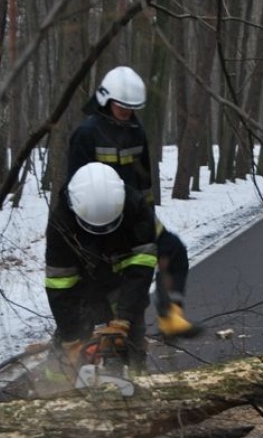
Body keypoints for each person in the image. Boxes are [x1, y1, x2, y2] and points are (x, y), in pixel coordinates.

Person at [67, 65, 200, 338]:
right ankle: (100, 340)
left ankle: (171, 316)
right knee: (114, 282)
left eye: (131, 107)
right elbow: (74, 187)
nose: (127, 112)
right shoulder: (86, 134)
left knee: (173, 250)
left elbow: (144, 181)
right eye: (121, 106)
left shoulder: (136, 131)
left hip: (135, 212)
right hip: (99, 218)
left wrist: (148, 216)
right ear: (106, 100)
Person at [45, 162, 158, 376]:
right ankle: (53, 392)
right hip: (83, 285)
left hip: (124, 282)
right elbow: (59, 284)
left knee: (131, 342)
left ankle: (136, 386)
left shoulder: (137, 208)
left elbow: (141, 268)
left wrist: (123, 318)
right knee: (64, 355)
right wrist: (71, 338)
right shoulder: (61, 222)